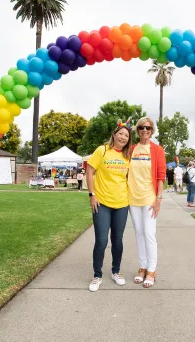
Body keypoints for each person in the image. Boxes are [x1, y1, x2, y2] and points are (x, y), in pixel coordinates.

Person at [86, 122, 132, 292]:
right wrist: (92, 195)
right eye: (120, 134)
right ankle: (97, 275)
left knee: (117, 241)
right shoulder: (102, 150)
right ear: (114, 134)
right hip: (102, 202)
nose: (123, 137)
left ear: (128, 140)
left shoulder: (128, 156)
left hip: (122, 203)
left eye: (126, 136)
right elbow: (89, 172)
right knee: (101, 241)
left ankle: (116, 271)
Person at [128, 117, 166, 288]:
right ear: (137, 130)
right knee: (139, 234)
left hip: (149, 198)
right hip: (132, 198)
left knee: (149, 233)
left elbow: (161, 176)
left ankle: (152, 270)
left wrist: (158, 198)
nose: (145, 130)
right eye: (142, 127)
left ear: (152, 131)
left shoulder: (157, 150)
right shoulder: (132, 149)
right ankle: (142, 267)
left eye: (148, 128)